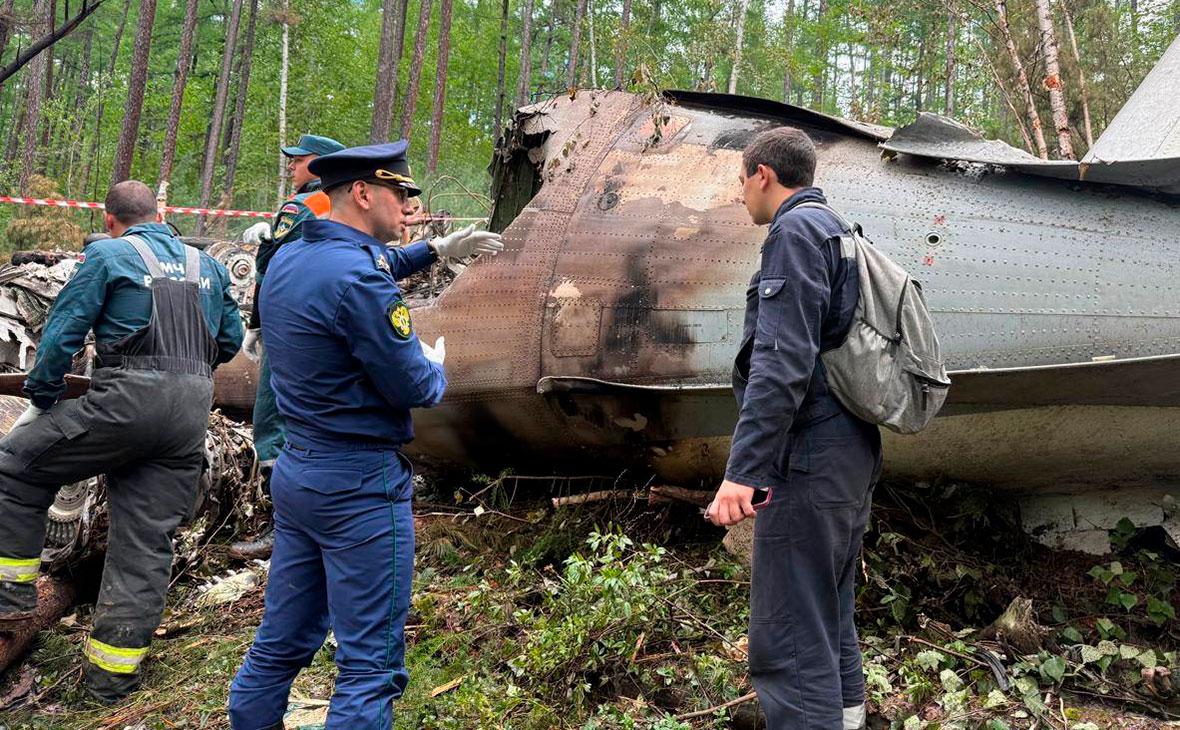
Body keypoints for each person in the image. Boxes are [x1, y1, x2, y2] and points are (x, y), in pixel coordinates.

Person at [228, 141, 502, 728]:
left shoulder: (291, 259)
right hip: (358, 487)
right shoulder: (358, 280)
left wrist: (435, 250)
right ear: (362, 193)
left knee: (279, 644)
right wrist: (433, 364)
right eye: (400, 194)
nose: (409, 206)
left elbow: (360, 265)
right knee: (369, 665)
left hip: (299, 472)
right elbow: (413, 385)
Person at [0, 180, 243, 702]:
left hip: (125, 403)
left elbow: (65, 330)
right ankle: (110, 684)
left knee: (16, 466)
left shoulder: (108, 255)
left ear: (110, 220)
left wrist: (42, 393)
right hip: (189, 417)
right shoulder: (209, 266)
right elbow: (229, 341)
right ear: (159, 216)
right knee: (145, 544)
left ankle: (9, 599)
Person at [705, 127, 882, 730]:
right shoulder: (837, 229)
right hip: (848, 450)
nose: (740, 195)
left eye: (741, 181)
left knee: (788, 636)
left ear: (763, 175)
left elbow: (780, 365)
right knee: (826, 614)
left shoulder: (795, 232)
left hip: (810, 456)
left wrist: (743, 472)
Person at [231, 133, 345, 561]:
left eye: (298, 160)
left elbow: (269, 267)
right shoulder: (348, 202)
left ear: (318, 164)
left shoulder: (302, 204)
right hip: (328, 324)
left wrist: (256, 324)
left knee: (272, 422)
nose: (291, 166)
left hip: (290, 324)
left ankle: (283, 529)